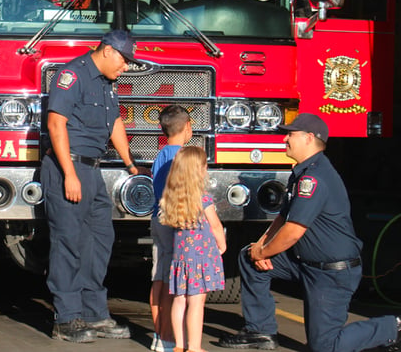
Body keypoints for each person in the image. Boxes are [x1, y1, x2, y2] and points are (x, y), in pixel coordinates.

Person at [219, 113, 401, 352]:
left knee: (325, 346)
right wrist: (259, 248)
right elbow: (283, 218)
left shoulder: (315, 178)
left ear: (308, 138)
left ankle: (392, 328)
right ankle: (260, 331)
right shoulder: (301, 173)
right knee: (248, 257)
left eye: (291, 134)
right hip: (304, 263)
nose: (285, 139)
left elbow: (293, 231)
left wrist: (264, 251)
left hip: (331, 273)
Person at [42, 29, 140, 343]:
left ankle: (94, 313)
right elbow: (56, 124)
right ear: (108, 51)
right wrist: (69, 174)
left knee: (100, 240)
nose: (125, 67)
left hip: (93, 170)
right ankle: (67, 318)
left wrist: (129, 163)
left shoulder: (107, 84)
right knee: (69, 241)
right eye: (124, 60)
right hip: (68, 166)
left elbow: (114, 123)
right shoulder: (72, 75)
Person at [159, 146, 226, 352]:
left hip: (181, 259)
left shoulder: (173, 197)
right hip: (201, 257)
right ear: (199, 170)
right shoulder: (202, 198)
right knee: (196, 303)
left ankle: (179, 345)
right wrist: (222, 244)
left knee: (179, 300)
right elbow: (214, 225)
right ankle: (194, 346)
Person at [149, 105, 193, 352]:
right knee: (172, 281)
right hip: (175, 221)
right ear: (187, 127)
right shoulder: (183, 156)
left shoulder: (161, 154)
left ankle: (158, 334)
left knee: (159, 277)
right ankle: (167, 337)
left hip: (157, 217)